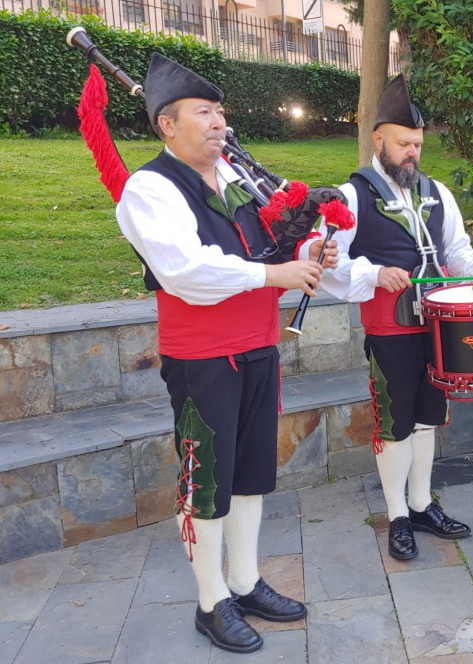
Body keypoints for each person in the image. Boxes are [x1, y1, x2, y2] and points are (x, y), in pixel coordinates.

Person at [115, 54, 337, 654]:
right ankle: (212, 602)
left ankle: (244, 581)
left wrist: (310, 252)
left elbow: (268, 247)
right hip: (204, 358)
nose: (219, 123)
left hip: (258, 346)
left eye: (220, 112)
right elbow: (186, 271)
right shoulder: (151, 187)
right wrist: (276, 277)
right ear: (167, 124)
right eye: (204, 113)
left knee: (249, 476)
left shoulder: (234, 182)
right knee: (206, 482)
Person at [300, 74, 473, 560]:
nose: (412, 152)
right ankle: (396, 517)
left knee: (430, 419)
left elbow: (455, 249)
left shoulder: (437, 192)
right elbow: (325, 261)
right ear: (378, 140)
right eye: (403, 143)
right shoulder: (350, 197)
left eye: (417, 144)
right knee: (395, 422)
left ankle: (421, 504)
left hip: (438, 326)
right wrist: (372, 273)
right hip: (389, 327)